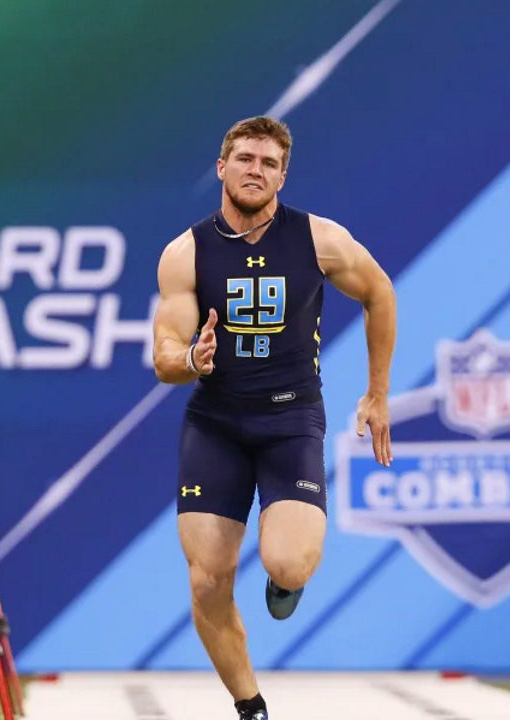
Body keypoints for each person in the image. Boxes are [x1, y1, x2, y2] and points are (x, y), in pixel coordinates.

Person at [151, 116, 397, 720]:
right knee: (209, 580)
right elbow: (164, 355)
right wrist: (191, 358)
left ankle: (284, 579)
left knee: (288, 562)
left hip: (290, 423)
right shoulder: (186, 253)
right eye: (243, 159)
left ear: (283, 175)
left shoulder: (318, 239)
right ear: (221, 167)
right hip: (217, 426)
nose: (254, 170)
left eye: (267, 163)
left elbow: (379, 292)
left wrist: (377, 393)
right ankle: (251, 706)